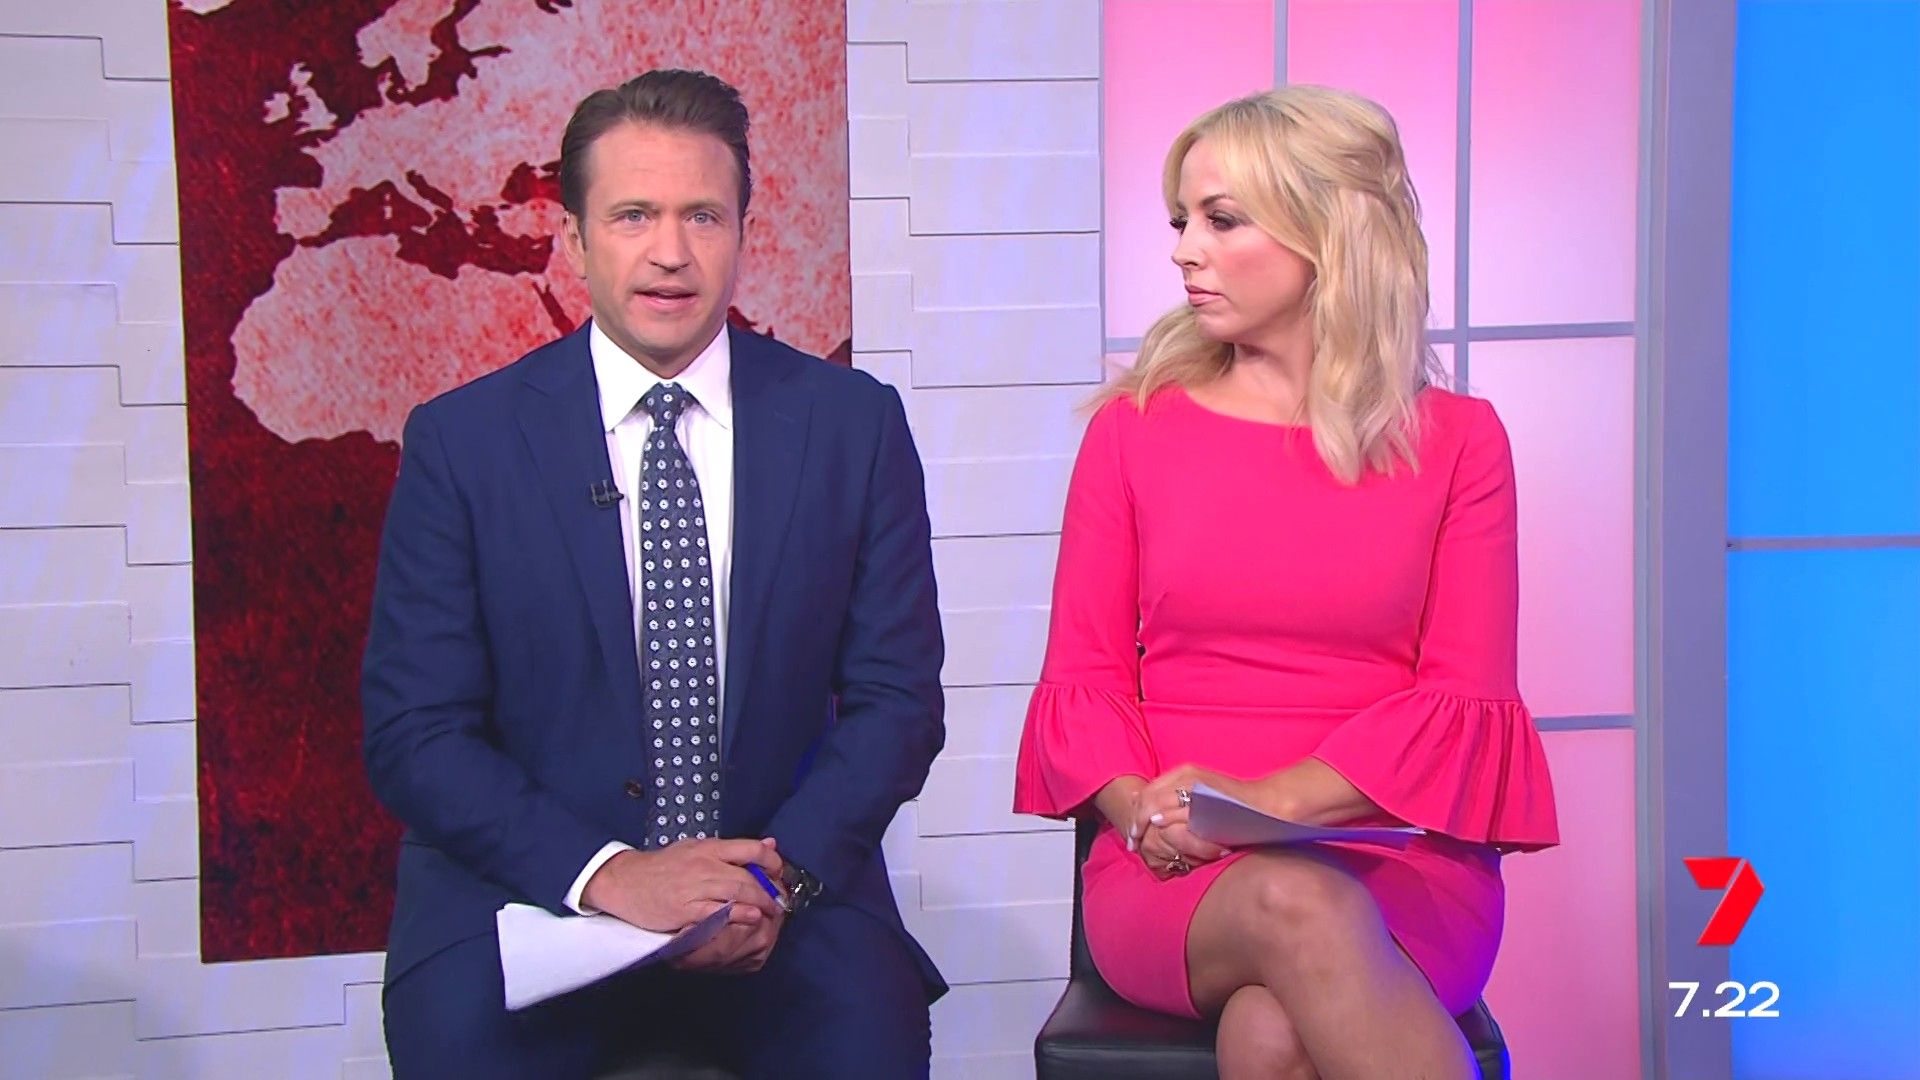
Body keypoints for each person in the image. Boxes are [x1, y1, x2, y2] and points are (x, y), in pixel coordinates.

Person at [363, 69, 946, 1079]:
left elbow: (897, 703)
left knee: (871, 1048)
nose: (670, 252)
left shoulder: (853, 426)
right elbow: (416, 732)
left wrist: (771, 882)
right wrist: (611, 876)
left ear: (744, 233)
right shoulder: (463, 442)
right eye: (633, 215)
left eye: (701, 216)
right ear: (575, 238)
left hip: (781, 888)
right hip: (528, 891)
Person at [1013, 85, 1560, 1080]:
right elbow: (1084, 678)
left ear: (1328, 234)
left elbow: (1462, 698)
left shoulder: (1460, 443)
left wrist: (1265, 798)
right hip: (1177, 866)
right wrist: (1143, 811)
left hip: (1400, 857)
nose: (1185, 250)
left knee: (1275, 1031)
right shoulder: (1132, 431)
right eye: (1181, 221)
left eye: (1221, 220)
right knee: (1300, 905)